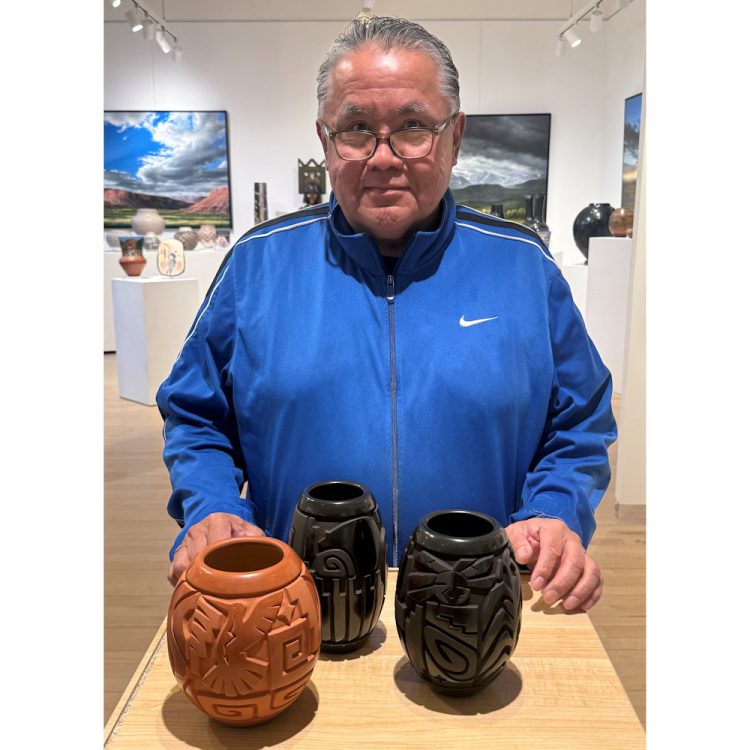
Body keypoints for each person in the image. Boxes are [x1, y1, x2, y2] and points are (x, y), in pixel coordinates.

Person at [156, 16, 617, 613]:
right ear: (325, 141)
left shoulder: (524, 268)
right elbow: (194, 415)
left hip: (480, 610)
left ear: (455, 136)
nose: (382, 156)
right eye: (356, 129)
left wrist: (555, 512)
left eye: (412, 127)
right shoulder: (255, 266)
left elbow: (579, 421)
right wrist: (212, 505)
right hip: (294, 611)